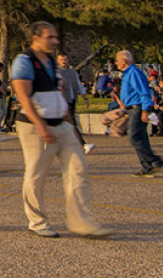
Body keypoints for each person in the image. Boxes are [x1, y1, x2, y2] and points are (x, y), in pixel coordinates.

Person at [12, 22, 112, 239]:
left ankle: (81, 221)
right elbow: (23, 96)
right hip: (35, 126)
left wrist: (72, 128)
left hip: (61, 123)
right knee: (37, 173)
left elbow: (59, 95)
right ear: (36, 38)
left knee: (78, 169)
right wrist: (40, 125)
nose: (55, 41)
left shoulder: (52, 64)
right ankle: (37, 221)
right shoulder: (24, 61)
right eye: (50, 37)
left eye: (55, 37)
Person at [115, 50, 163, 177]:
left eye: (117, 60)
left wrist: (145, 111)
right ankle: (147, 167)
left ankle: (154, 160)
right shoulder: (127, 73)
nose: (116, 63)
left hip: (137, 109)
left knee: (134, 137)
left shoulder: (133, 73)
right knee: (141, 137)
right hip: (131, 108)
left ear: (124, 61)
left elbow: (144, 92)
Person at [56, 53, 92, 154]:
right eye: (61, 59)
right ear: (58, 61)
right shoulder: (57, 72)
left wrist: (85, 97)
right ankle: (83, 144)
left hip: (71, 99)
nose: (64, 61)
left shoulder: (72, 72)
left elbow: (79, 85)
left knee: (67, 123)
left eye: (65, 59)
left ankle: (63, 145)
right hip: (62, 101)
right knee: (71, 122)